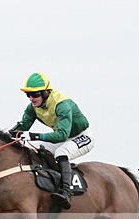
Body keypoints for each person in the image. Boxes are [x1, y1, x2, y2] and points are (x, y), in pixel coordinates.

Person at [9, 72, 95, 209]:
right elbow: (21, 128)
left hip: (82, 136)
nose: (31, 98)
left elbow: (61, 135)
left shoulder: (62, 105)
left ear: (45, 92)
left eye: (35, 94)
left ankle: (66, 192)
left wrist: (34, 136)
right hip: (63, 136)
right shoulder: (32, 108)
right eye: (28, 94)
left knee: (61, 152)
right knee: (30, 147)